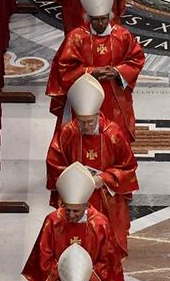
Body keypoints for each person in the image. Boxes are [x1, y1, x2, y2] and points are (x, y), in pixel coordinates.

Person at [45, 74, 138, 252]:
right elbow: (53, 162)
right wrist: (74, 179)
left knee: (107, 243)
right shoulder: (67, 132)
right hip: (74, 196)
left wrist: (104, 178)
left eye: (89, 122)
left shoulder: (113, 133)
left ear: (97, 114)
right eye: (81, 121)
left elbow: (128, 166)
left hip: (104, 193)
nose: (85, 126)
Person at [47, 0, 143, 142]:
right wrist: (92, 73)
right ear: (89, 17)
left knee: (116, 138)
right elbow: (64, 69)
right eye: (96, 19)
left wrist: (118, 72)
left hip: (114, 95)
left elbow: (136, 59)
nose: (100, 23)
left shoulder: (122, 36)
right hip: (85, 96)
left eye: (104, 19)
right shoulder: (76, 38)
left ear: (109, 16)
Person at [21, 163, 125, 281]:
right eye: (67, 209)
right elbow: (43, 256)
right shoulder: (53, 221)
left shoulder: (100, 224)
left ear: (85, 205)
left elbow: (107, 259)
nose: (71, 215)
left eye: (76, 211)